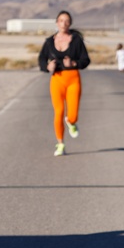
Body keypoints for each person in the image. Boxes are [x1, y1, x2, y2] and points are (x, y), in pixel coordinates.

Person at [38, 11, 91, 156]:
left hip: (73, 79)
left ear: (70, 23)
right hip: (57, 80)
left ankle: (71, 122)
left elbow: (86, 60)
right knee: (58, 112)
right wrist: (47, 67)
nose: (64, 23)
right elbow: (41, 59)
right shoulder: (49, 42)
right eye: (61, 21)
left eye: (67, 21)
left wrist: (73, 62)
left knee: (72, 115)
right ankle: (60, 143)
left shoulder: (76, 41)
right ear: (56, 23)